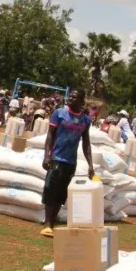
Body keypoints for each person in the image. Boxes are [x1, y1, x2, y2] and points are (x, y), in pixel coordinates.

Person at [41, 89, 94, 238]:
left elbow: (86, 143)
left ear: (81, 101)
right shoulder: (59, 113)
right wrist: (47, 156)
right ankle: (47, 222)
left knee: (61, 192)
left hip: (71, 162)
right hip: (57, 158)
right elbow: (50, 136)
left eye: (74, 97)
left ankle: (53, 222)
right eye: (70, 96)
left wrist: (90, 165)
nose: (70, 98)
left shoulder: (85, 120)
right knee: (50, 189)